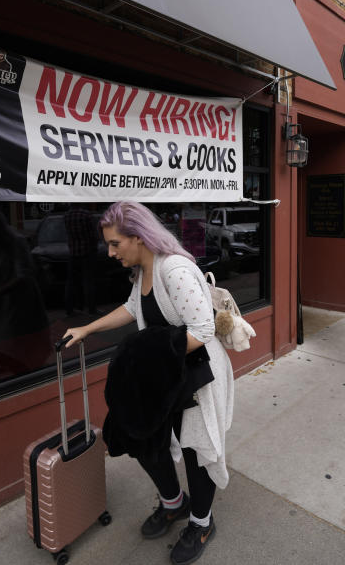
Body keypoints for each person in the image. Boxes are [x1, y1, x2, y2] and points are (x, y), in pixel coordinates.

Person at [63, 201, 233, 565]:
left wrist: (150, 356)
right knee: (142, 438)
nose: (110, 253)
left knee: (195, 450)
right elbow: (131, 309)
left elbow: (203, 331)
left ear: (138, 237)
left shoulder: (174, 269)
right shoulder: (144, 269)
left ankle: (201, 523)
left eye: (114, 244)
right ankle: (174, 503)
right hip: (165, 375)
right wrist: (87, 329)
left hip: (196, 376)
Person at [0, 204, 51, 375]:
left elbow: (24, 276)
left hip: (18, 308)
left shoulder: (15, 241)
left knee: (17, 352)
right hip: (0, 308)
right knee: (5, 350)